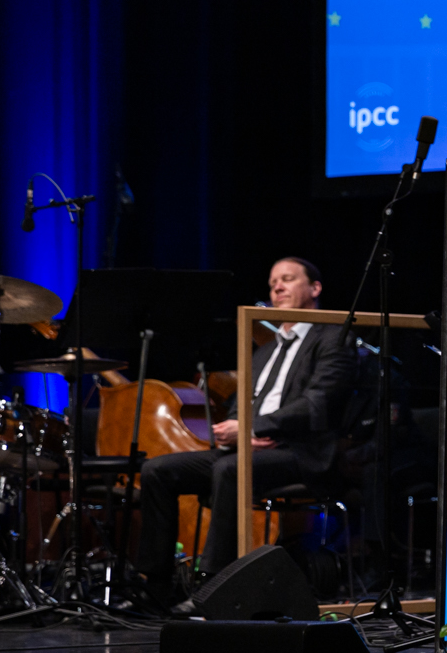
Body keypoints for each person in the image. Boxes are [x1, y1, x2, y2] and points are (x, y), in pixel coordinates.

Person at [134, 257, 355, 610]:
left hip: (301, 453)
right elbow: (241, 403)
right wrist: (239, 431)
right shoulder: (265, 348)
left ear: (314, 289)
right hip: (252, 448)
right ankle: (155, 585)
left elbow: (318, 404)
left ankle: (212, 588)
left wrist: (254, 429)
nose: (277, 288)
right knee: (157, 471)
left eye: (287, 279)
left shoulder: (333, 338)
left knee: (231, 469)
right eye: (272, 283)